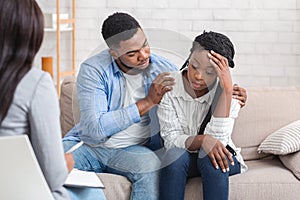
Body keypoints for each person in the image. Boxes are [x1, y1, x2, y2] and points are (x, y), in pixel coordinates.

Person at [62, 12, 247, 200]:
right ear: (114, 53)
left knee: (153, 168)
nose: (143, 56)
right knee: (45, 165)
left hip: (133, 149)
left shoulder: (162, 69)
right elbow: (94, 130)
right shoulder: (94, 70)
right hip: (89, 146)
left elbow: (194, 81)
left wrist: (228, 92)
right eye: (132, 53)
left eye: (145, 46)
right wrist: (147, 102)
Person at [0, 0, 105, 199]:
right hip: (22, 193)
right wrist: (66, 163)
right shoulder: (35, 82)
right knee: (93, 194)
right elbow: (54, 177)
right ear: (29, 32)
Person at [157, 31, 248, 200]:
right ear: (189, 58)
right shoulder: (169, 86)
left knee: (212, 160)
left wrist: (226, 91)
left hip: (222, 157)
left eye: (210, 72)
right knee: (173, 157)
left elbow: (217, 144)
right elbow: (171, 139)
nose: (198, 76)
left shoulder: (231, 94)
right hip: (185, 158)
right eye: (194, 66)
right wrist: (202, 140)